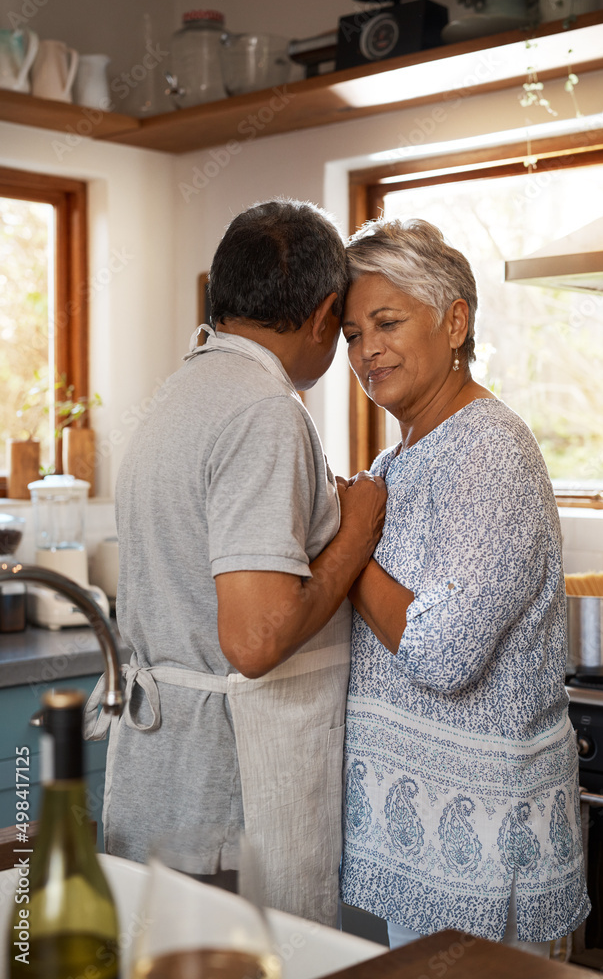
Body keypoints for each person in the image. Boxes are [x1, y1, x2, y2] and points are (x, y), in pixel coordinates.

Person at [84, 198, 386, 928]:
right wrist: (357, 528)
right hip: (223, 799)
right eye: (344, 328)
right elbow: (253, 641)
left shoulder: (179, 392)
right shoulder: (264, 412)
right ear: (321, 316)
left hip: (164, 780)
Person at [339, 217, 590, 953]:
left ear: (454, 322)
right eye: (352, 334)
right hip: (420, 847)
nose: (366, 350)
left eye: (386, 322)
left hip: (481, 852)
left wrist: (349, 545)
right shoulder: (398, 460)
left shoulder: (489, 451)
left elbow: (439, 653)